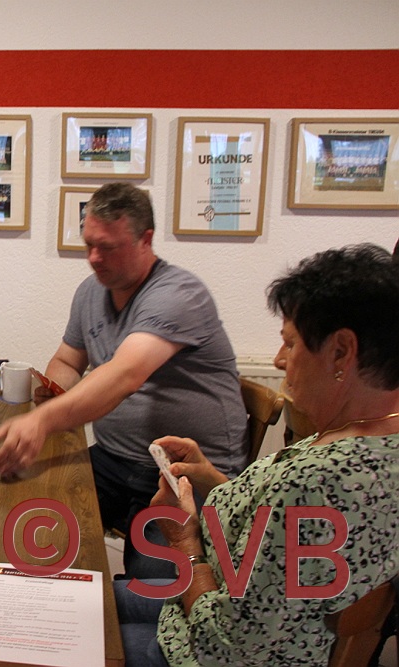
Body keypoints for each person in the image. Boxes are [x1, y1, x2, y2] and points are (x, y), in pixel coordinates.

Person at [116, 243, 399, 666]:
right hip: (218, 607)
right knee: (83, 597)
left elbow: (226, 646)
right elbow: (278, 532)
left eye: (291, 344)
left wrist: (184, 542)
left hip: (209, 647)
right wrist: (212, 479)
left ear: (341, 351)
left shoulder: (319, 480)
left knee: (60, 628)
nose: (279, 360)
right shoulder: (372, 435)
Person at [0, 182, 247, 578]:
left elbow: (124, 375)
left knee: (152, 589)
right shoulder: (91, 292)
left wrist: (43, 420)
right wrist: (56, 392)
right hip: (112, 460)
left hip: (183, 473)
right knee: (26, 522)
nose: (94, 258)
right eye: (89, 244)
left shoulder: (178, 293)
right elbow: (67, 360)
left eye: (108, 247)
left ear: (146, 240)